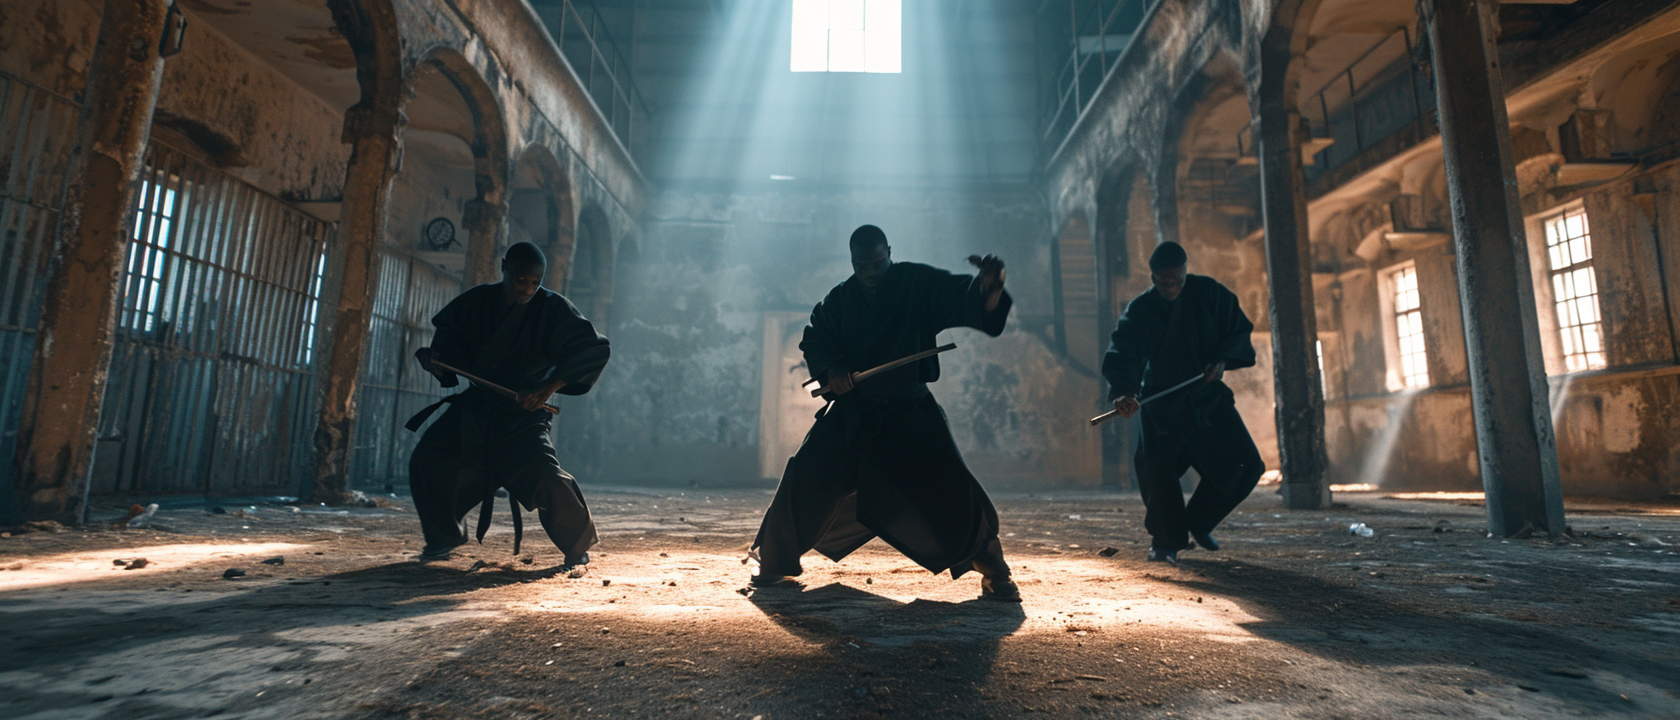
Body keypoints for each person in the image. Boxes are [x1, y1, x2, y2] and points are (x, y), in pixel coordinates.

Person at [748, 224, 1021, 601]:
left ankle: (993, 568)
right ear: (852, 263)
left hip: (910, 411)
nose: (871, 273)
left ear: (889, 252)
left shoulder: (915, 283)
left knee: (950, 487)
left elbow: (966, 300)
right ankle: (774, 562)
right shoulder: (840, 299)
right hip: (854, 412)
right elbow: (817, 337)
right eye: (862, 266)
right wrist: (833, 373)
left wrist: (988, 288)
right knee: (808, 474)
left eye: (878, 263)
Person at [406, 242, 611, 567]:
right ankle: (445, 535)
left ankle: (577, 545)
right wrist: (436, 363)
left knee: (546, 476)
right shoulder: (476, 302)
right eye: (519, 280)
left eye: (534, 282)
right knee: (427, 459)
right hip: (476, 408)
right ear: (504, 268)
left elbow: (592, 349)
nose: (527, 289)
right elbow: (448, 350)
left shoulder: (553, 309)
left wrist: (548, 387)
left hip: (525, 414)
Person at [1101, 241, 1265, 565]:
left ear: (1186, 272)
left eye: (1178, 279)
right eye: (1165, 282)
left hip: (1206, 399)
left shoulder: (1209, 293)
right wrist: (1124, 391)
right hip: (1160, 405)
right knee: (1156, 472)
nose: (1172, 287)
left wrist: (1221, 360)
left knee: (1246, 464)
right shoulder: (1140, 310)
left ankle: (1199, 521)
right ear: (1153, 278)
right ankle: (1166, 541)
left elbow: (1237, 331)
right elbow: (1123, 353)